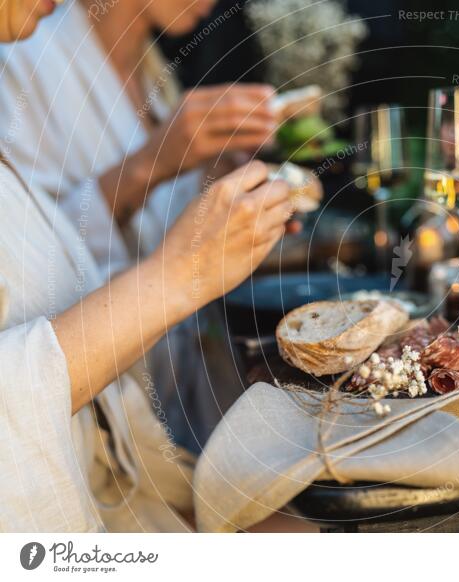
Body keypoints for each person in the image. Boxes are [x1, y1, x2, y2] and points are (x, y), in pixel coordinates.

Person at [0, 0, 297, 532]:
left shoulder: (156, 72)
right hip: (87, 471)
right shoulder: (24, 60)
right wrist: (156, 171)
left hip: (150, 419)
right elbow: (42, 272)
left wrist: (225, 191)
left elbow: (53, 245)